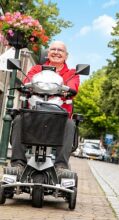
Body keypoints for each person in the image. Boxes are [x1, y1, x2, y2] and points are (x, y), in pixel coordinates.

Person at [10, 41, 79, 173]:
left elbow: (73, 87)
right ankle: (18, 164)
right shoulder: (37, 69)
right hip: (34, 115)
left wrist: (66, 89)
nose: (56, 52)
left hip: (59, 118)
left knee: (70, 124)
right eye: (53, 49)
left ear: (66, 55)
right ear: (48, 53)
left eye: (60, 50)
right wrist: (27, 86)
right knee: (19, 119)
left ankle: (61, 166)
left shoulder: (72, 73)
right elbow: (27, 81)